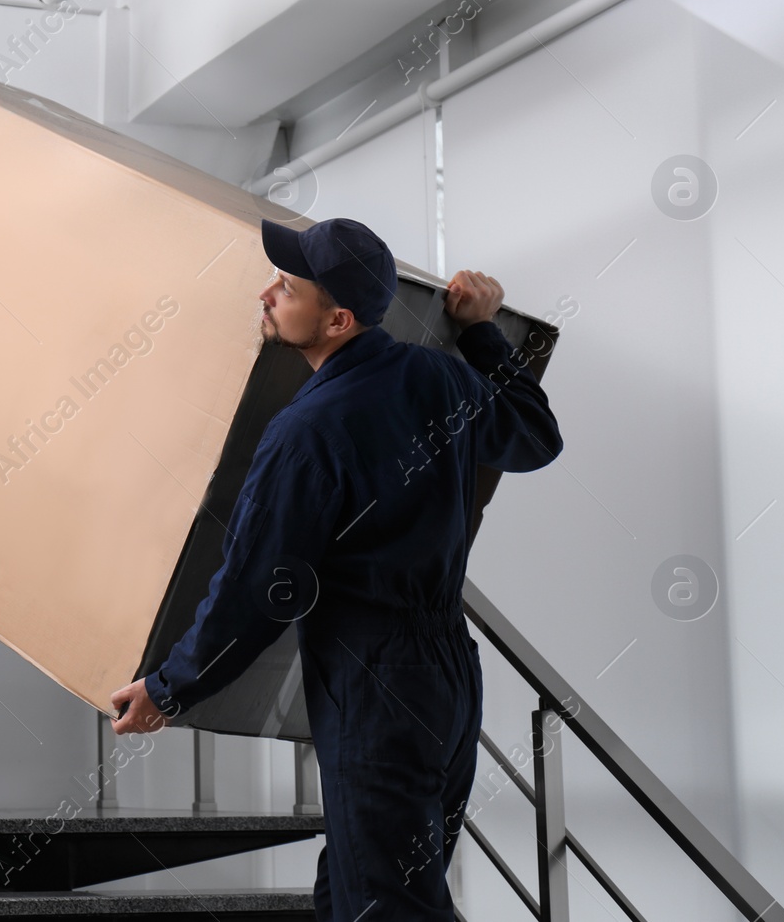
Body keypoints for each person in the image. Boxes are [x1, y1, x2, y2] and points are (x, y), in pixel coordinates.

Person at [109, 217, 563, 920]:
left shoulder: (307, 430)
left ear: (337, 319)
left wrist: (169, 688)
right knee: (357, 887)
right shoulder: (438, 374)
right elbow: (534, 436)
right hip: (448, 680)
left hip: (377, 688)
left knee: (387, 902)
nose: (267, 293)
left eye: (287, 288)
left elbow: (257, 589)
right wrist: (480, 334)